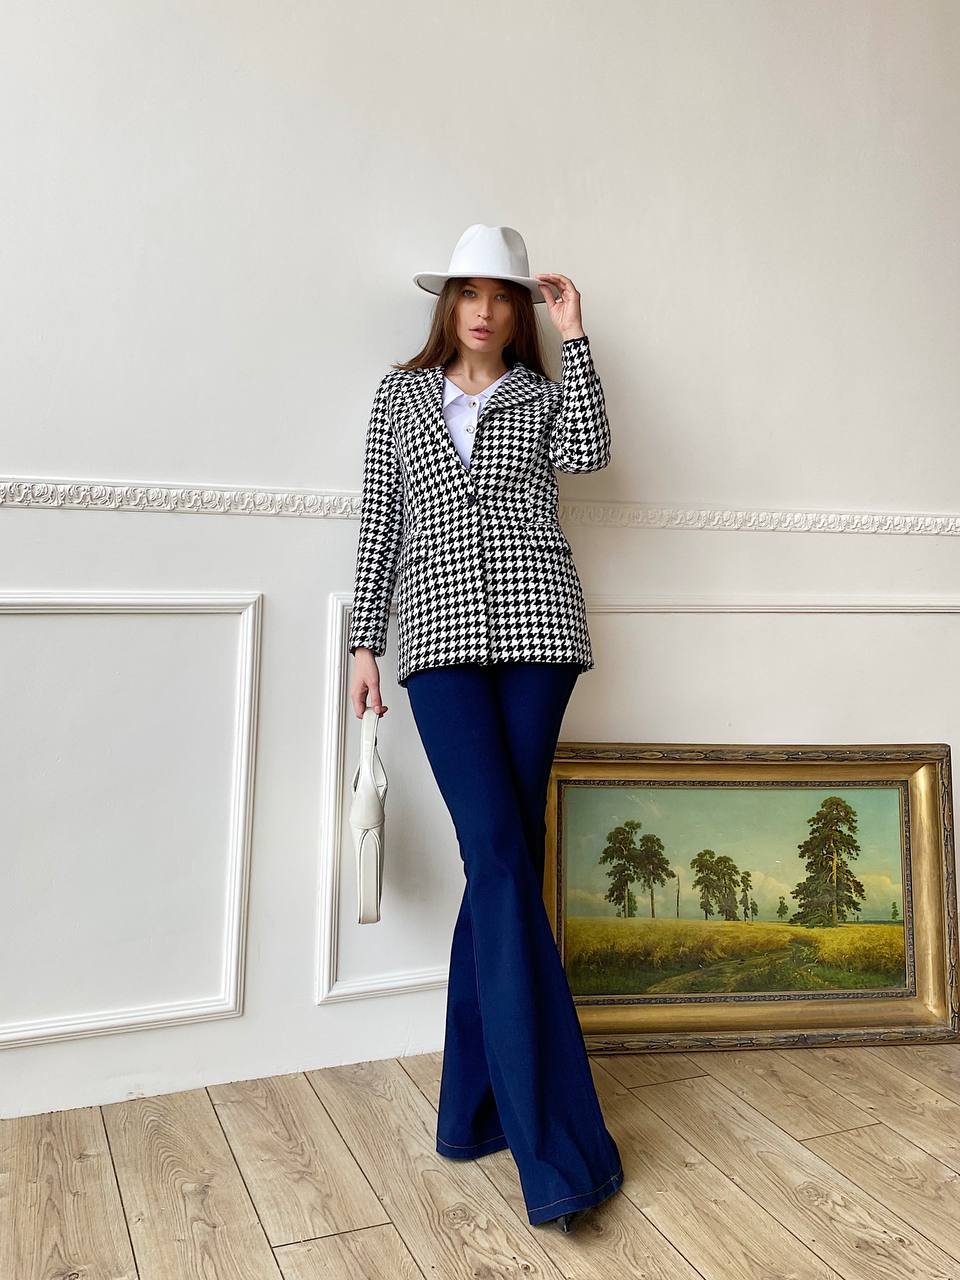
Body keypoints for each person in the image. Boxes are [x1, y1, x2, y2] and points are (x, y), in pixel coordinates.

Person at [347, 224, 623, 1232]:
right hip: (436, 642)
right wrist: (361, 641)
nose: (486, 309)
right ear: (448, 302)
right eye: (471, 291)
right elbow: (380, 515)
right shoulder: (400, 394)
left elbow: (590, 453)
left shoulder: (544, 397)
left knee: (504, 859)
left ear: (517, 312)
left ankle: (471, 1112)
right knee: (501, 856)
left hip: (541, 634)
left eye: (504, 296)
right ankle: (557, 1149)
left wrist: (578, 334)